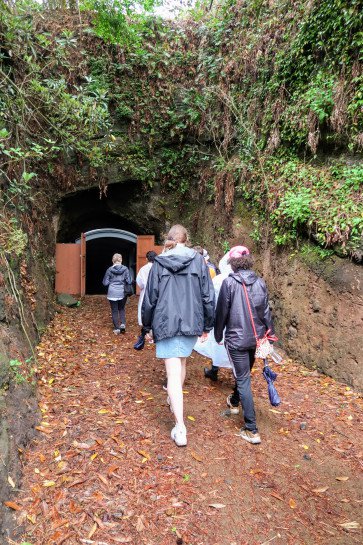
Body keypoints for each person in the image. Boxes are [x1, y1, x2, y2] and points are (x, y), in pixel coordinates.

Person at [142, 224, 215, 447]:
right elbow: (208, 296)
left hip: (166, 323)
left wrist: (146, 326)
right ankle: (175, 400)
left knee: (173, 373)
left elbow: (150, 299)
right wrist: (207, 324)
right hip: (191, 322)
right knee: (181, 362)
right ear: (186, 239)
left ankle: (180, 427)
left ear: (170, 240)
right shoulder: (198, 261)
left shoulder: (159, 263)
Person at [214, 246, 275, 444]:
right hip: (255, 339)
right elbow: (265, 311)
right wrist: (270, 333)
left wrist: (217, 333)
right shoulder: (260, 282)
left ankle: (251, 429)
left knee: (243, 379)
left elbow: (222, 311)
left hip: (236, 339)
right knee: (244, 375)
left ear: (232, 262)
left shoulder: (229, 283)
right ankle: (233, 401)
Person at [102, 253, 133, 334]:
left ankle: (117, 328)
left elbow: (105, 283)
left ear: (113, 260)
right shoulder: (125, 269)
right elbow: (129, 281)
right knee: (121, 309)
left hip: (112, 292)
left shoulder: (109, 270)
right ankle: (122, 324)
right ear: (121, 260)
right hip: (122, 292)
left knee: (114, 310)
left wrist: (110, 281)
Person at [134, 251, 157, 350]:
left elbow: (140, 283)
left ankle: (146, 332)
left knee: (145, 310)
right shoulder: (158, 268)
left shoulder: (143, 269)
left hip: (146, 293)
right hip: (157, 293)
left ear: (147, 259)